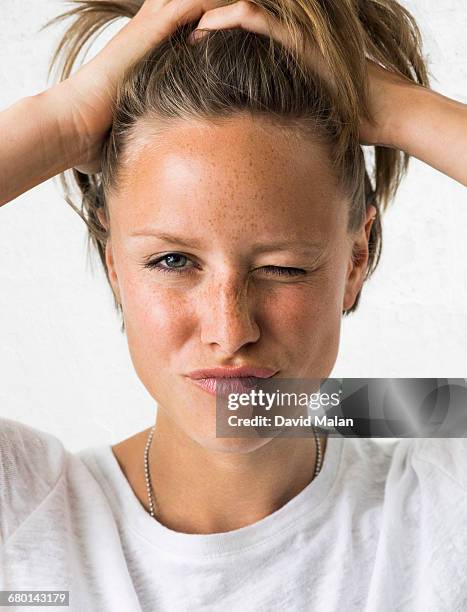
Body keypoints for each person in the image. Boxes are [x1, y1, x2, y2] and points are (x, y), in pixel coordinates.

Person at [0, 0, 466, 610]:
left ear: (356, 260)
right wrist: (59, 125)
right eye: (172, 262)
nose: (230, 329)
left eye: (283, 269)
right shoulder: (26, 505)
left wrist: (397, 109)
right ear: (114, 264)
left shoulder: (435, 478)